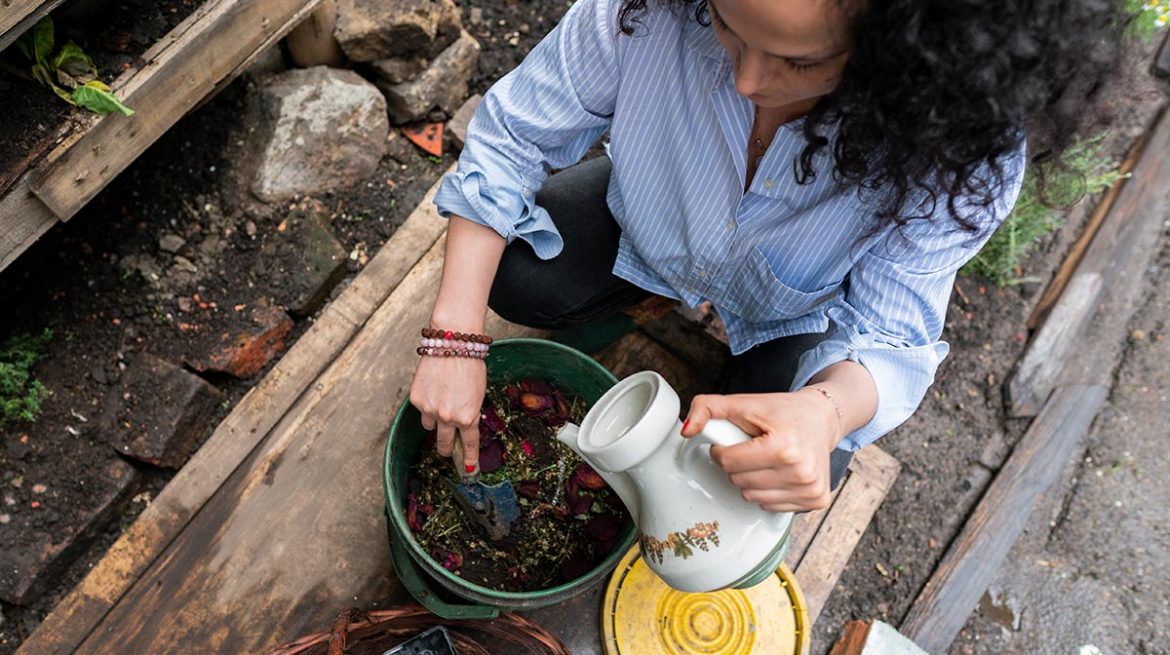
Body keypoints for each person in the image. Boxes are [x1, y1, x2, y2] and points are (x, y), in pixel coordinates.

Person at [408, 0, 1124, 511]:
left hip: (798, 312)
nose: (749, 81)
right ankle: (645, 291)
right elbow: (512, 138)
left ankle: (750, 361)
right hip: (651, 223)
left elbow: (892, 337)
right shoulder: (644, 11)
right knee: (514, 273)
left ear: (905, 57)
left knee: (767, 483)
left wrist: (824, 413)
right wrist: (454, 338)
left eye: (801, 60)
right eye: (726, 25)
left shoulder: (956, 150)